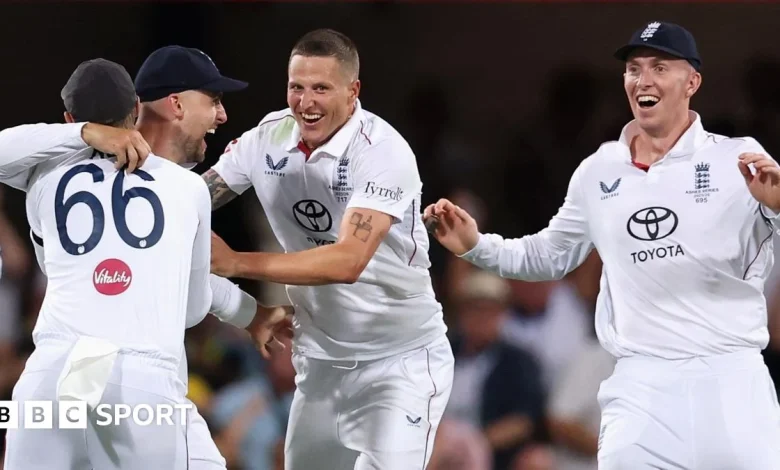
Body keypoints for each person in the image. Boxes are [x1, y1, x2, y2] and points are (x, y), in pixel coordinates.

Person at [424, 21, 780, 470]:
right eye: (633, 69)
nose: (643, 79)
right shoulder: (598, 170)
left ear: (692, 82)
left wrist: (778, 206)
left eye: (659, 67)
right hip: (640, 384)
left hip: (729, 377)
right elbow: (549, 254)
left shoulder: (737, 157)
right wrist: (476, 245)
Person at [0, 57, 289, 470]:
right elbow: (190, 307)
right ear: (136, 108)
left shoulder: (41, 173)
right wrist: (246, 311)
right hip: (140, 375)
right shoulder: (187, 187)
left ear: (68, 118)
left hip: (60, 366)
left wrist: (80, 135)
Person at [202, 29, 454, 469]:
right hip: (320, 361)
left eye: (321, 87)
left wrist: (237, 263)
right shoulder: (266, 138)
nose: (306, 102)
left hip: (400, 360)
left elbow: (348, 260)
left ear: (353, 90)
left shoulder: (383, 151)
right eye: (296, 87)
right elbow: (192, 201)